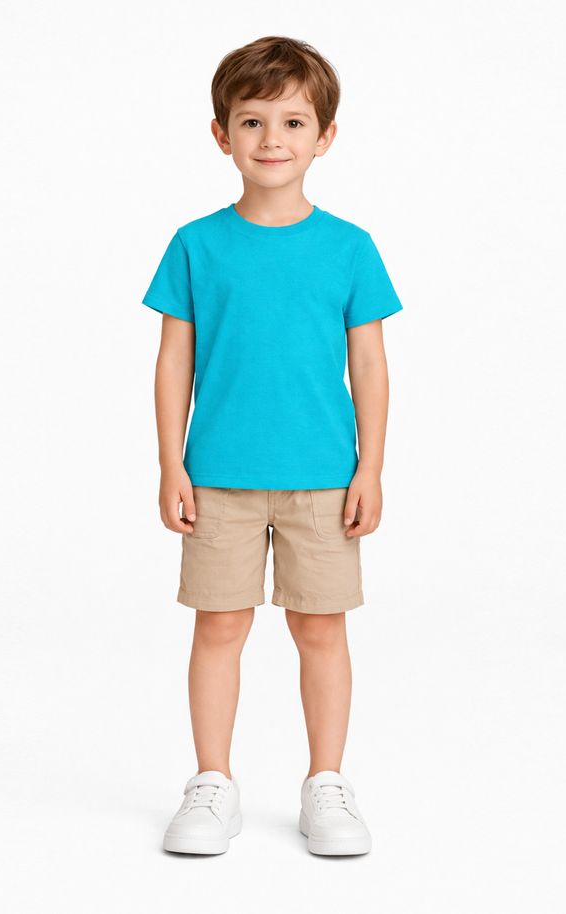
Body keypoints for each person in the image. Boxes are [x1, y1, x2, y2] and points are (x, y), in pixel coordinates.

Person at [141, 36, 403, 856]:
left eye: (293, 121)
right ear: (221, 133)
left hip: (323, 480)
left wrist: (370, 468)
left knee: (320, 630)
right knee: (218, 626)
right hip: (217, 477)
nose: (272, 139)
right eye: (252, 121)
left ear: (326, 135)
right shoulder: (196, 244)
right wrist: (171, 463)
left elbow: (370, 364)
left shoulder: (350, 247)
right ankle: (212, 783)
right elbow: (173, 359)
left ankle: (327, 783)